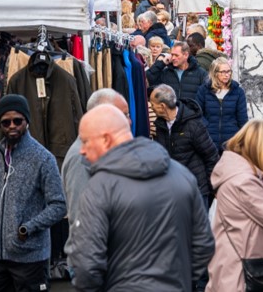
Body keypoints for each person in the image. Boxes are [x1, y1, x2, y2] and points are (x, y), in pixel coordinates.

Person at [68, 104, 215, 292]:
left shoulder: (100, 187)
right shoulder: (182, 175)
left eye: (86, 141)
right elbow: (204, 246)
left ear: (106, 140)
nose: (81, 150)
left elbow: (86, 264)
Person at [0, 94, 67, 292]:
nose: (12, 126)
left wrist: (27, 229)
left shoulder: (42, 158)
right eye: (6, 122)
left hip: (30, 257)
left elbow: (59, 205)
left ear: (27, 121)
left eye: (17, 121)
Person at [207, 120, 263, 292]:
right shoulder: (244, 181)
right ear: (261, 145)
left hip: (237, 267)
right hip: (243, 274)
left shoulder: (239, 172)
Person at [62, 89, 130, 258]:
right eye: (122, 115)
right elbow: (82, 218)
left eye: (127, 114)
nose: (128, 121)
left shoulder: (103, 153)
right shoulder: (82, 158)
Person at [150, 84, 220, 208]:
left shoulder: (193, 125)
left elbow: (211, 156)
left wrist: (212, 187)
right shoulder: (160, 125)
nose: (150, 107)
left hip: (196, 190)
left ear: (162, 106)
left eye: (152, 103)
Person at [196, 59, 248, 150]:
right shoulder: (204, 90)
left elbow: (242, 119)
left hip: (231, 141)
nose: (227, 74)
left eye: (229, 71)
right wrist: (206, 127)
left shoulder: (238, 92)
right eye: (223, 72)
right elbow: (197, 112)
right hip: (209, 141)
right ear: (215, 73)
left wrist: (242, 139)